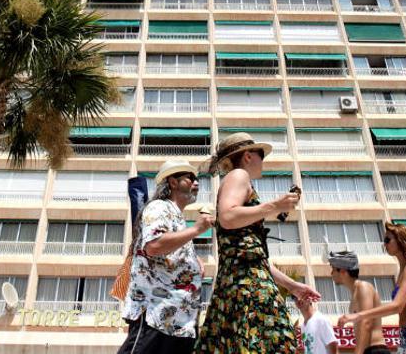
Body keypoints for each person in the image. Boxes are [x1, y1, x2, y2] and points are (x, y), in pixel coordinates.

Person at [196, 132, 321, 353]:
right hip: (247, 285)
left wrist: (293, 286)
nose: (264, 160)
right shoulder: (238, 175)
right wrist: (275, 205)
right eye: (261, 154)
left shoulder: (238, 180)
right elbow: (227, 215)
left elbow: (254, 257)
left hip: (241, 282)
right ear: (247, 156)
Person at [117, 160, 216, 354]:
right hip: (156, 315)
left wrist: (194, 262)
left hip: (180, 321)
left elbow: (169, 251)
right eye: (190, 178)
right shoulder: (158, 207)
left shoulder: (177, 218)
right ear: (172, 182)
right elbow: (154, 246)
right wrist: (197, 229)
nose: (196, 183)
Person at [337, 222, 406, 354]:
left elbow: (397, 306)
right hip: (405, 338)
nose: (384, 244)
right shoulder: (402, 272)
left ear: (401, 240)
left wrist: (357, 315)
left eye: (387, 240)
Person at [328, 250, 388, 354]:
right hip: (369, 350)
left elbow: (366, 322)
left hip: (376, 350)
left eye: (333, 269)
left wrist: (358, 352)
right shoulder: (355, 293)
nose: (331, 273)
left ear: (343, 271)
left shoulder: (363, 287)